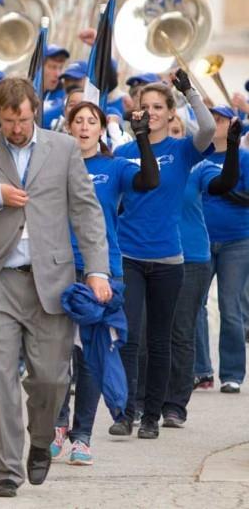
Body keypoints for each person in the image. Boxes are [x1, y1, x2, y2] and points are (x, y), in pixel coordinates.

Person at [0, 77, 110, 498]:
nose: (17, 128)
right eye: (10, 121)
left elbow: (86, 212)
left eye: (24, 119)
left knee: (50, 379)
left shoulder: (64, 148)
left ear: (36, 111)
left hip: (52, 282)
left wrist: (98, 270)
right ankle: (7, 470)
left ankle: (40, 438)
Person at [50, 102, 159, 466]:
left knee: (91, 358)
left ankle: (81, 435)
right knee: (54, 355)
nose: (83, 127)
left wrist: (141, 137)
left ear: (100, 129)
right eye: (77, 121)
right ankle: (57, 424)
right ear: (68, 128)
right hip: (58, 270)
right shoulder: (55, 166)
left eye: (91, 122)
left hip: (101, 272)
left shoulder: (114, 168)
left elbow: (149, 180)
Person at [110, 70, 215, 440]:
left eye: (158, 107)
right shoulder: (124, 153)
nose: (151, 112)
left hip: (169, 259)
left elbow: (207, 129)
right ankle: (125, 411)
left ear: (171, 113)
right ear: (135, 111)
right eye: (145, 106)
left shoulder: (181, 149)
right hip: (129, 256)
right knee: (129, 337)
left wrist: (188, 91)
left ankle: (152, 415)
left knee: (160, 340)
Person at [163, 108, 239, 426]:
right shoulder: (148, 163)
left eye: (182, 132)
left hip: (195, 256)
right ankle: (145, 399)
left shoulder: (200, 165)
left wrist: (233, 147)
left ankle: (176, 405)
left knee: (184, 328)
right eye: (172, 132)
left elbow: (224, 183)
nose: (176, 137)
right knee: (152, 331)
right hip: (154, 256)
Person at [196, 108, 249, 394]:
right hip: (202, 241)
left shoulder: (242, 157)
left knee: (230, 307)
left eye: (220, 120)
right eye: (211, 119)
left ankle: (232, 374)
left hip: (236, 242)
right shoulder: (200, 157)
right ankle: (201, 370)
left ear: (231, 125)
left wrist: (222, 189)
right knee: (195, 305)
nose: (215, 124)